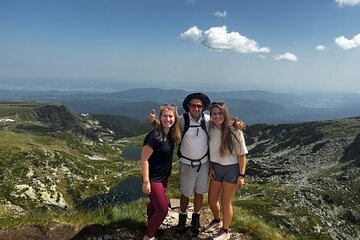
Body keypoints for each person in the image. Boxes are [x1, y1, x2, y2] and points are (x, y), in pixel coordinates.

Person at [148, 93, 245, 234]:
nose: (196, 108)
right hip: (187, 163)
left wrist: (236, 124)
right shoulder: (182, 119)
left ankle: (195, 219)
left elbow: (222, 123)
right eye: (193, 105)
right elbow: (167, 124)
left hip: (204, 164)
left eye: (199, 106)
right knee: (185, 193)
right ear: (188, 106)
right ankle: (182, 218)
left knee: (199, 193)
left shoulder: (208, 120)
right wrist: (153, 122)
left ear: (203, 108)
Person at [204, 101, 248, 240]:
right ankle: (217, 221)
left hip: (232, 169)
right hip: (216, 167)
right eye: (214, 114)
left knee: (225, 202)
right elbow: (211, 150)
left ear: (225, 114)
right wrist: (211, 166)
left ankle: (225, 230)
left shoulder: (235, 131)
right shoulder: (210, 127)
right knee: (211, 200)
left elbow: (242, 155)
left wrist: (241, 175)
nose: (217, 116)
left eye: (220, 113)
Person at [141, 104, 181, 240]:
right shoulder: (153, 137)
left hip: (163, 178)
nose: (168, 119)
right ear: (160, 117)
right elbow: (144, 160)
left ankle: (150, 224)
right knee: (163, 210)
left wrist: (154, 122)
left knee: (154, 204)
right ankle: (148, 236)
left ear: (175, 118)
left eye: (171, 116)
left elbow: (162, 125)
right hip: (153, 179)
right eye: (165, 116)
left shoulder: (170, 133)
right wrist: (146, 182)